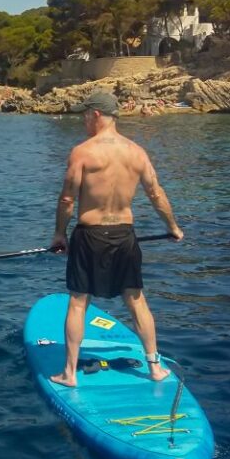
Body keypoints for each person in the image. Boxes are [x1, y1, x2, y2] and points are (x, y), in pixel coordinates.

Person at [49, 92, 184, 388]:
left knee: (78, 302)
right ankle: (154, 368)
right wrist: (172, 226)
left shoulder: (82, 152)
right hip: (125, 236)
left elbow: (68, 198)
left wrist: (59, 234)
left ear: (97, 114)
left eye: (85, 115)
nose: (83, 120)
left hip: (90, 235)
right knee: (136, 300)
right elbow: (156, 194)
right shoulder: (137, 152)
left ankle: (69, 373)